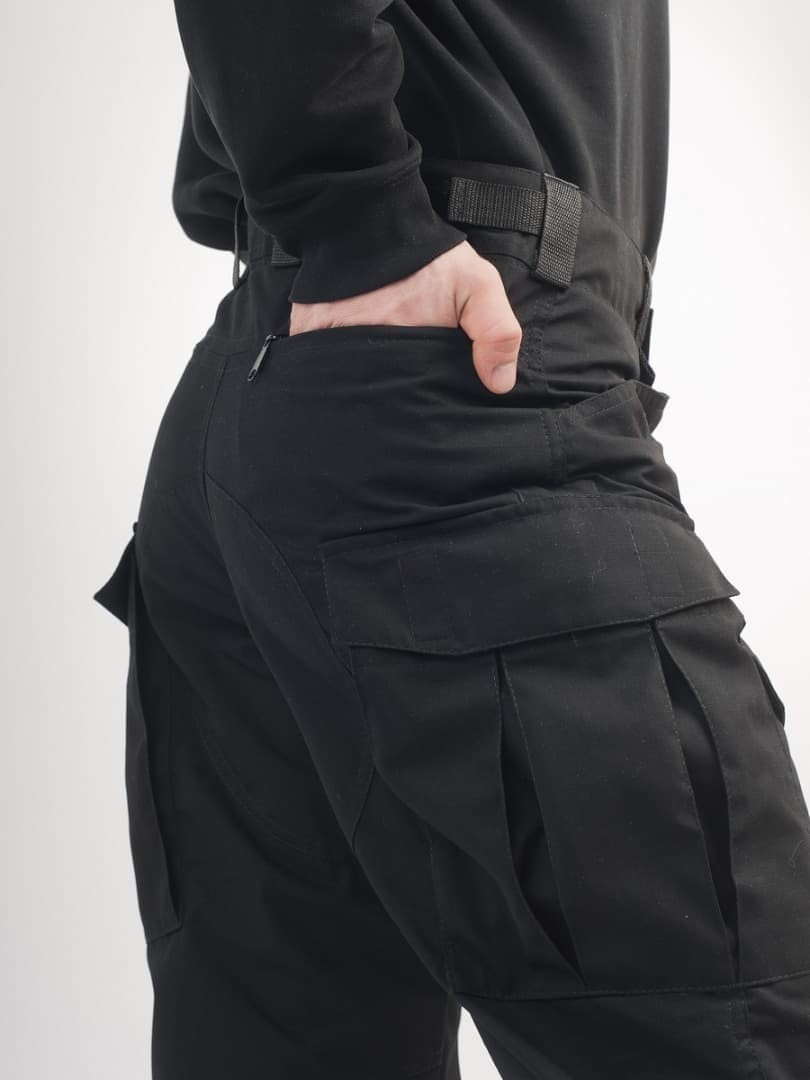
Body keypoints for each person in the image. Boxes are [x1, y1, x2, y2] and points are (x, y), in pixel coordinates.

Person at [93, 2, 810, 1077]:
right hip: (457, 377)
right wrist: (355, 212)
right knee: (732, 1033)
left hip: (295, 382)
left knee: (286, 1043)